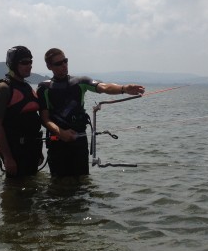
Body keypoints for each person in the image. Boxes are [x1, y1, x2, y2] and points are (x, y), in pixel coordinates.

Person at [36, 48, 145, 177]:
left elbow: (104, 87)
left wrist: (124, 88)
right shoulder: (44, 88)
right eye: (58, 63)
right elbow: (44, 118)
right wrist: (61, 133)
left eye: (65, 61)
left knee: (82, 185)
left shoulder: (80, 82)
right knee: (59, 187)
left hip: (79, 142)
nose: (64, 65)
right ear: (49, 66)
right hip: (57, 143)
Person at [0, 45, 44, 178]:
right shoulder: (3, 89)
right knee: (15, 191)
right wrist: (8, 158)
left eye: (30, 61)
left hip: (31, 148)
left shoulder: (26, 86)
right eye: (24, 62)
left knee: (31, 190)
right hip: (14, 151)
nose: (29, 65)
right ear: (13, 64)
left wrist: (39, 152)